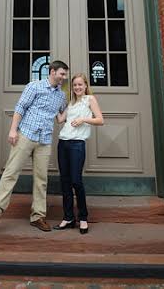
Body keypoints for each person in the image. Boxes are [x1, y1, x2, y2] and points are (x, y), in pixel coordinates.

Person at [0, 60, 69, 232]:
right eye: (62, 73)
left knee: (41, 180)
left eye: (65, 74)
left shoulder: (61, 96)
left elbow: (60, 118)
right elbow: (20, 107)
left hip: (45, 140)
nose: (64, 77)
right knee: (11, 172)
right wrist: (13, 130)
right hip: (26, 135)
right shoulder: (34, 87)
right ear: (52, 71)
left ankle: (38, 216)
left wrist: (78, 103)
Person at [54, 73, 104, 234]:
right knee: (65, 182)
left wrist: (83, 119)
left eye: (80, 85)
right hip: (63, 143)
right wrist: (54, 104)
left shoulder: (90, 100)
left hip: (77, 144)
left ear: (85, 85)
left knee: (76, 181)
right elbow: (60, 120)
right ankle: (68, 217)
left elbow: (100, 120)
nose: (77, 87)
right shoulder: (71, 103)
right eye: (75, 85)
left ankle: (83, 218)